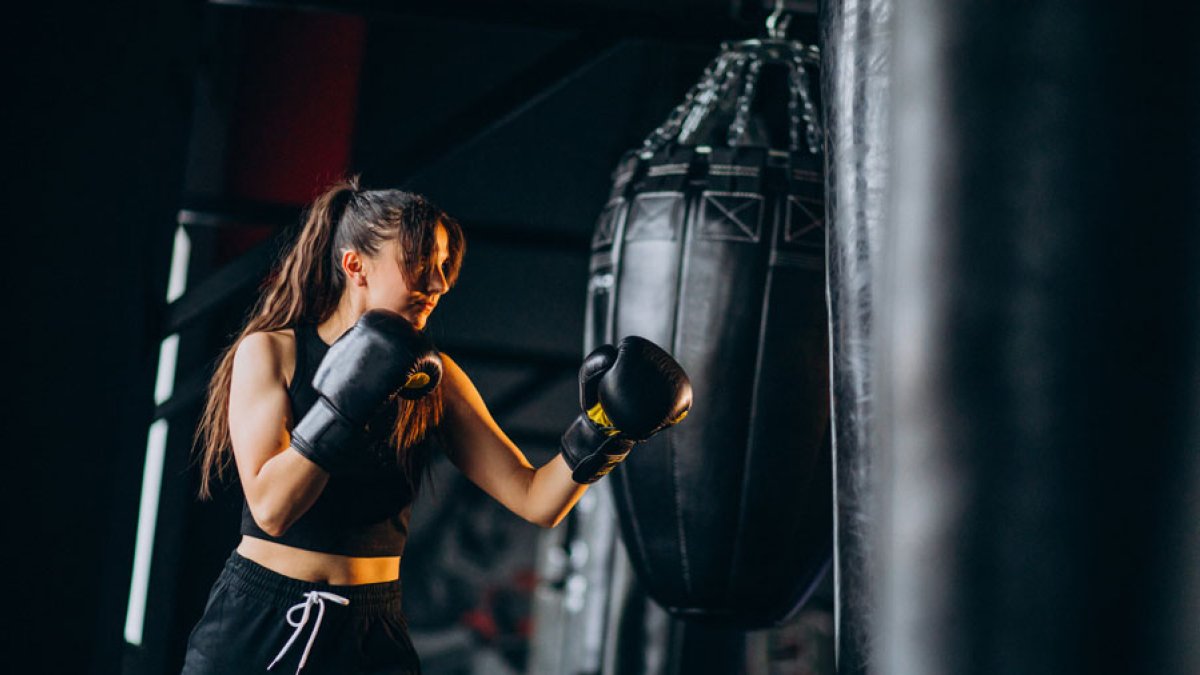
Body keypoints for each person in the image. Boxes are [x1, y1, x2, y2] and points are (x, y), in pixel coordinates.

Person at [182, 176, 692, 675]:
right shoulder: (274, 351)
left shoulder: (435, 380)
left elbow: (536, 499)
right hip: (266, 620)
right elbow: (271, 509)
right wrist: (344, 402)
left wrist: (606, 428)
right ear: (355, 265)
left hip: (371, 629)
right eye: (420, 264)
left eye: (444, 266)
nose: (438, 283)